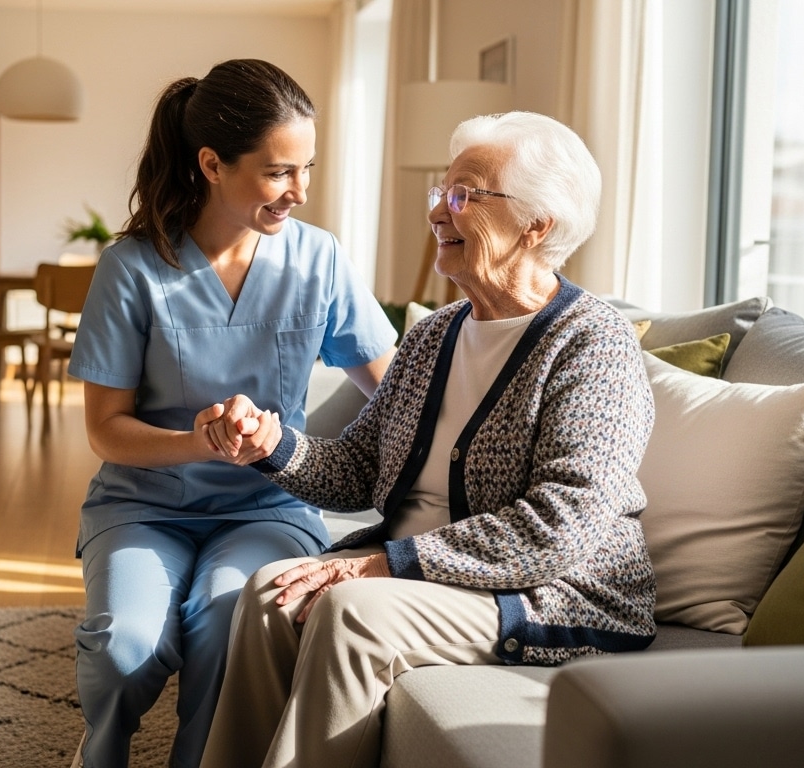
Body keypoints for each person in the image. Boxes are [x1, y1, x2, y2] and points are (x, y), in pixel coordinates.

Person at [196, 111, 658, 768]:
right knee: (277, 592)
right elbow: (359, 468)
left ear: (537, 224)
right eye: (439, 193)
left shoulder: (592, 345)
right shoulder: (436, 334)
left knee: (351, 609)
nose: (439, 211)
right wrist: (270, 444)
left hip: (551, 593)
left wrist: (389, 563)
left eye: (464, 195)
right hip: (433, 580)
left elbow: (561, 527)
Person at [66, 59, 398, 768]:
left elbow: (400, 391)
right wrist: (200, 442)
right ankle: (100, 752)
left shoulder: (320, 261)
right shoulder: (131, 268)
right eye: (280, 172)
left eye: (307, 168)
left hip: (267, 508)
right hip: (143, 503)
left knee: (227, 624)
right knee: (127, 644)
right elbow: (104, 429)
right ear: (212, 164)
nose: (300, 193)